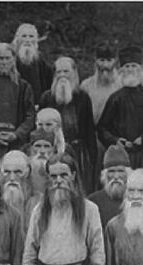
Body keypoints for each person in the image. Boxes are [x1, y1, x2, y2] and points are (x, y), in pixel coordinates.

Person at [97, 46, 143, 178]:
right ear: (121, 70)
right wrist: (116, 141)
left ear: (141, 69)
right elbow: (102, 128)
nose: (130, 69)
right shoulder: (115, 98)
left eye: (134, 66)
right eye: (127, 66)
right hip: (121, 156)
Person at [38, 57, 98, 193]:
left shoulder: (83, 97)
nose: (62, 75)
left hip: (78, 153)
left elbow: (89, 131)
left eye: (66, 71)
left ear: (74, 73)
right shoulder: (47, 98)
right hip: (52, 152)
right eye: (59, 72)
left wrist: (92, 159)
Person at [80, 41, 123, 184]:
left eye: (109, 60)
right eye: (101, 60)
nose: (105, 65)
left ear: (115, 61)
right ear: (95, 61)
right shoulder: (86, 85)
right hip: (94, 140)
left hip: (116, 139)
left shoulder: (121, 85)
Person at [88, 144, 131, 230]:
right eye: (111, 171)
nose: (116, 176)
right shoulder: (93, 201)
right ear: (104, 175)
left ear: (128, 174)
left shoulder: (136, 198)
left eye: (120, 171)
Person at [0, 150, 42, 232]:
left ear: (27, 173)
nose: (12, 178)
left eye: (18, 172)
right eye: (7, 172)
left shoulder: (39, 202)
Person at [12, 23, 53, 107]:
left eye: (31, 36)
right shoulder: (10, 58)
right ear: (17, 38)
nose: (27, 40)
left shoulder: (40, 60)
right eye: (24, 36)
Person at [23, 129, 59, 196]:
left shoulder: (60, 171)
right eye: (38, 146)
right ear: (30, 149)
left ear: (53, 149)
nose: (42, 151)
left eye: (46, 146)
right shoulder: (23, 170)